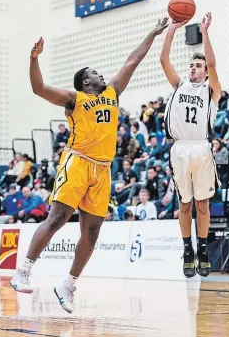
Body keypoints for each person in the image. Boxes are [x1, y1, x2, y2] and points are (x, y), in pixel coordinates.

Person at [10, 17, 169, 313]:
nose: (101, 74)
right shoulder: (74, 99)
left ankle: (67, 285)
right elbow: (39, 88)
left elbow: (133, 60)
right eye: (95, 72)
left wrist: (153, 32)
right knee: (57, 218)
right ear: (86, 80)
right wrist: (34, 59)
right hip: (77, 162)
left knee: (93, 232)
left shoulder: (112, 92)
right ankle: (23, 271)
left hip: (103, 168)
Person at [160, 12, 221, 278]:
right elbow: (163, 60)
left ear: (205, 71)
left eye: (198, 66)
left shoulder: (212, 89)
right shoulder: (179, 85)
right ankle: (188, 250)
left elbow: (213, 64)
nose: (193, 68)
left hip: (201, 148)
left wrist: (205, 33)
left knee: (202, 204)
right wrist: (172, 29)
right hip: (180, 148)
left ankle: (203, 249)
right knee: (184, 204)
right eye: (191, 65)